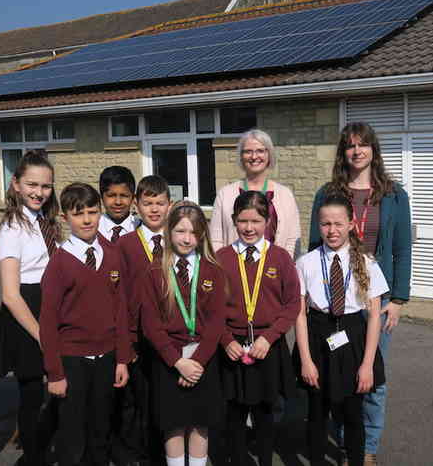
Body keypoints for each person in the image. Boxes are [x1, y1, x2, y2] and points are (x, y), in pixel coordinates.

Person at [308, 122, 412, 466]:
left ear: (373, 150)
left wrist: (397, 299)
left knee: (372, 377)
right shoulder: (327, 192)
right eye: (350, 145)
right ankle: (345, 441)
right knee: (337, 375)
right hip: (337, 301)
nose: (357, 151)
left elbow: (401, 250)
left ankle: (367, 447)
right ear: (343, 152)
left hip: (374, 298)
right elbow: (313, 245)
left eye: (363, 145)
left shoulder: (394, 195)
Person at [39, 182, 132, 466]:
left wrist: (123, 359)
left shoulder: (112, 254)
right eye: (79, 214)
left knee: (101, 429)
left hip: (107, 358)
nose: (88, 219)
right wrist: (54, 373)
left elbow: (121, 309)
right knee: (72, 433)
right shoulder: (59, 263)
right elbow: (48, 322)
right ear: (65, 217)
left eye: (93, 212)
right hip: (72, 360)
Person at [296, 192, 388, 466]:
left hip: (353, 338)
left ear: (351, 224)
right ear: (318, 225)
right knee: (316, 414)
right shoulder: (306, 263)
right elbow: (299, 316)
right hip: (317, 337)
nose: (332, 230)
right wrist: (306, 360)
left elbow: (374, 317)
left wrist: (367, 364)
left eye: (338, 223)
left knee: (352, 414)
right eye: (325, 224)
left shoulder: (367, 263)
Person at [139, 201, 227, 466]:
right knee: (173, 425)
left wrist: (197, 362)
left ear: (202, 235)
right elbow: (150, 323)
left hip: (203, 359)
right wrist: (177, 362)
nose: (187, 239)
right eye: (180, 231)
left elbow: (216, 322)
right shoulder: (154, 271)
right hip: (169, 361)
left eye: (193, 232)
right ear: (169, 232)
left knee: (201, 424)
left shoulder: (213, 270)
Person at [216, 191, 300, 466]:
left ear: (268, 221)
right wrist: (225, 339)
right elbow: (211, 308)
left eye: (256, 220)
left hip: (268, 345)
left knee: (266, 411)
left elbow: (291, 306)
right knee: (234, 413)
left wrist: (270, 337)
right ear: (233, 221)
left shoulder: (280, 258)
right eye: (242, 221)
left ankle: (265, 460)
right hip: (233, 347)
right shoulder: (222, 258)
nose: (249, 228)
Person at [0, 150, 60, 466]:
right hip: (27, 315)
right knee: (32, 395)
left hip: (49, 306)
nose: (39, 192)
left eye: (46, 186)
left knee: (58, 389)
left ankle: (44, 447)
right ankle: (33, 458)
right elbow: (10, 294)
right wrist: (41, 334)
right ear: (16, 183)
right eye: (32, 184)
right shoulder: (12, 228)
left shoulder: (45, 221)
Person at [115, 175, 172, 466]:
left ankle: (165, 453)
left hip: (171, 337)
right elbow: (120, 296)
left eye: (160, 203)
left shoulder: (179, 241)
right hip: (137, 338)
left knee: (165, 400)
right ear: (136, 206)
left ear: (169, 206)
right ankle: (135, 454)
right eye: (147, 203)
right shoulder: (124, 245)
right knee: (136, 400)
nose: (154, 209)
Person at [210, 129, 301, 258]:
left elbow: (293, 239)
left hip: (275, 271)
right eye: (248, 151)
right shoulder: (225, 194)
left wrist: (283, 267)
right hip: (234, 271)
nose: (254, 157)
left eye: (260, 151)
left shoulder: (285, 195)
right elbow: (216, 240)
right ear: (241, 156)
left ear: (269, 154)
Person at [98, 165, 139, 245]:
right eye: (111, 195)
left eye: (124, 195)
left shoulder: (142, 229)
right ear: (101, 197)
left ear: (133, 198)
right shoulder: (92, 230)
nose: (118, 202)